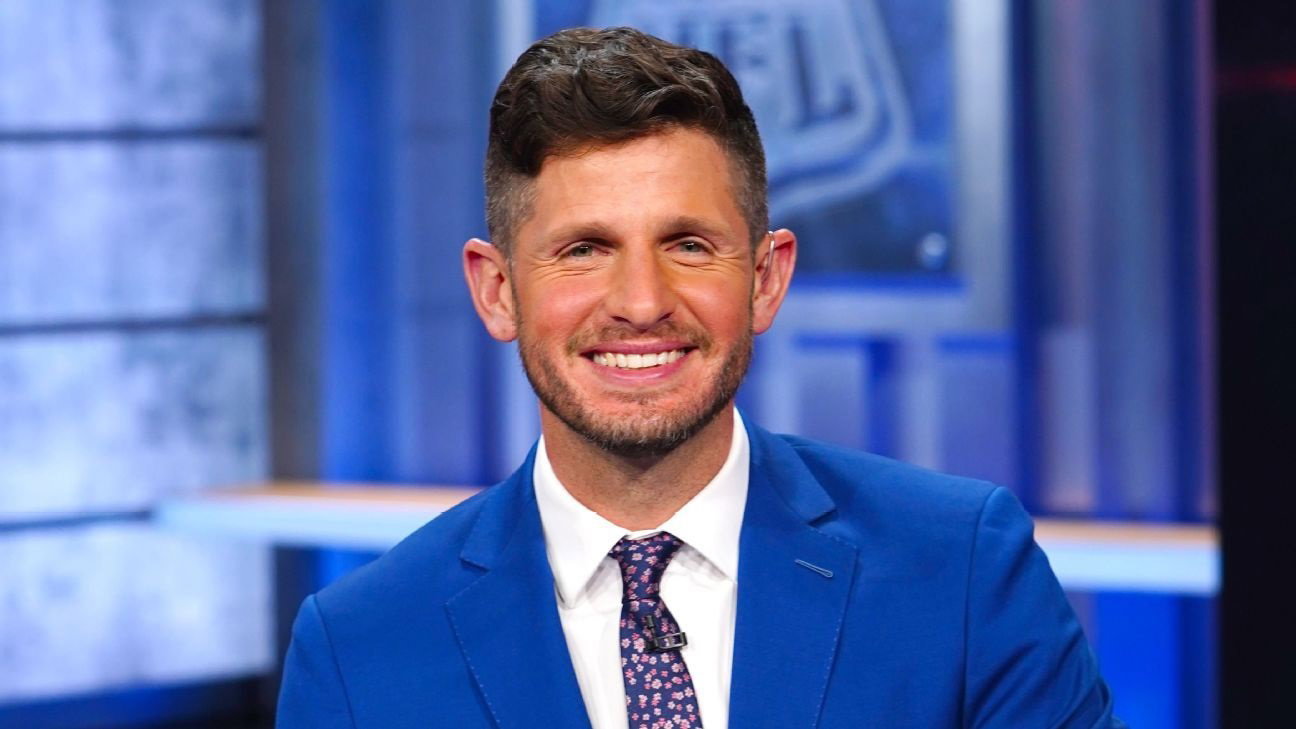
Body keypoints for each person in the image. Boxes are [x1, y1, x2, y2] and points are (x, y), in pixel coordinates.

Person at [277, 27, 1122, 728]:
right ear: (497, 291)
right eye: (584, 249)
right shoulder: (360, 649)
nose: (642, 302)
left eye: (687, 244)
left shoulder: (963, 569)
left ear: (765, 278)